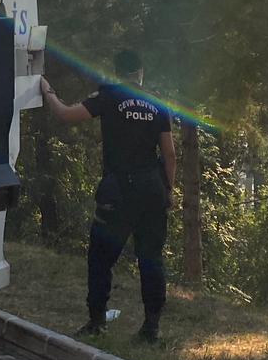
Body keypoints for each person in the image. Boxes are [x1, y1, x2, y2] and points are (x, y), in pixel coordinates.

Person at [40, 50, 175, 343]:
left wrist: (47, 91)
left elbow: (66, 114)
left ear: (117, 72)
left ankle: (96, 321)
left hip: (120, 190)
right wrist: (168, 190)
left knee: (101, 257)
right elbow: (170, 154)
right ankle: (151, 328)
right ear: (140, 72)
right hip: (152, 189)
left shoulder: (109, 96)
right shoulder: (156, 103)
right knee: (151, 258)